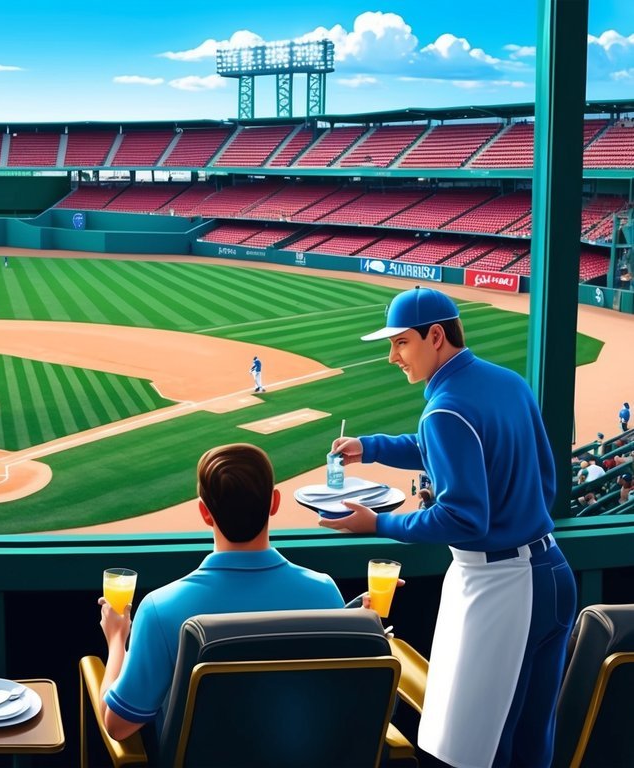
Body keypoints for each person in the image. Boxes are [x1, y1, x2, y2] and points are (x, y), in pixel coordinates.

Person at [320, 285, 574, 768]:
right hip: (552, 571)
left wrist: (378, 523)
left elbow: (462, 517)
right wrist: (369, 447)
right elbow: (542, 479)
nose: (392, 356)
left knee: (470, 751)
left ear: (435, 336)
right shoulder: (507, 382)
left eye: (401, 342)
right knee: (531, 743)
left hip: (504, 589)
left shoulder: (444, 408)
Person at [98, 443, 344, 741]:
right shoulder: (325, 594)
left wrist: (116, 640)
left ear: (204, 512)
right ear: (274, 502)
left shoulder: (160, 609)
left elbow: (118, 726)